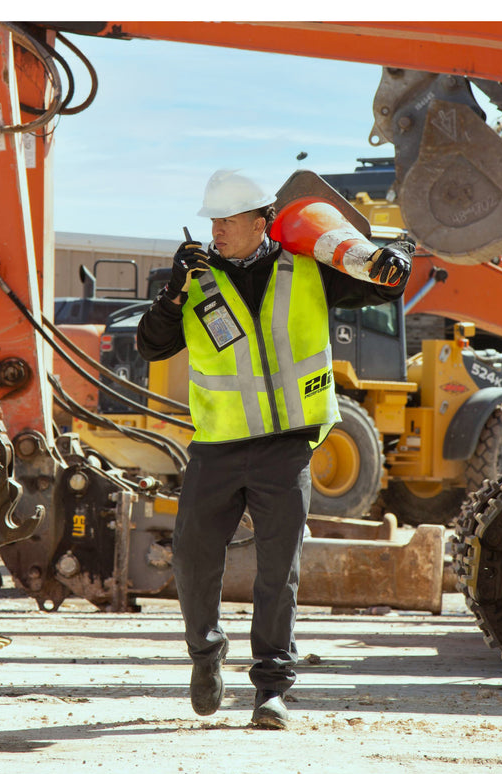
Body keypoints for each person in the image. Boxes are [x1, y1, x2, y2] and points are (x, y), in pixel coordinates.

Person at [136, 168, 411, 729]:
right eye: (213, 219)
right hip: (215, 445)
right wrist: (172, 294)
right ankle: (206, 653)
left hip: (286, 446)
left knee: (277, 571)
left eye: (229, 220)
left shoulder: (308, 268)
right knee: (192, 561)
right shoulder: (195, 277)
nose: (218, 230)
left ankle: (270, 691)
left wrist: (397, 253)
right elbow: (152, 344)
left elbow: (379, 281)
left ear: (263, 221)